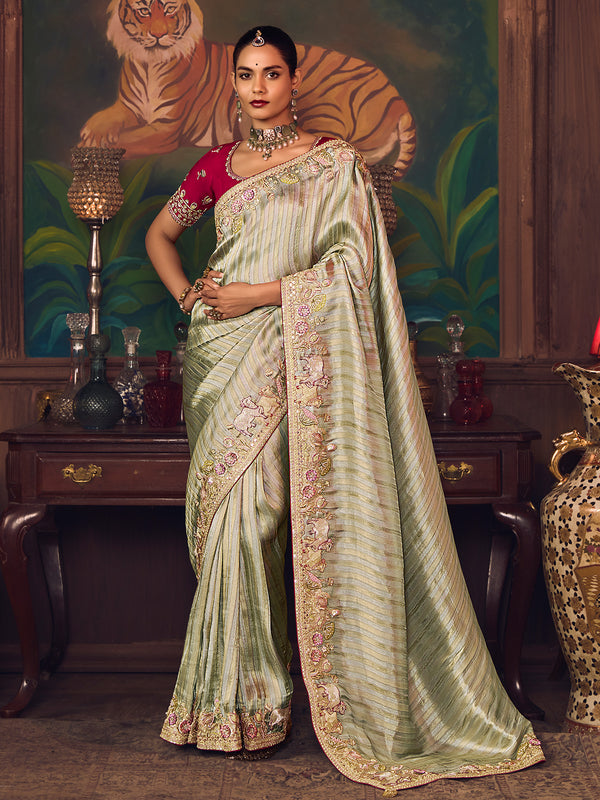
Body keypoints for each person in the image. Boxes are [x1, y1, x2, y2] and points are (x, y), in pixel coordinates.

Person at [145, 25, 544, 795]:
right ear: (233, 82)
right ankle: (227, 706)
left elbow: (352, 271)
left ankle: (268, 697)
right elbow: (163, 236)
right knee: (229, 519)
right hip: (222, 357)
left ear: (294, 81)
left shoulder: (333, 164)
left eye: (272, 73)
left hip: (296, 351)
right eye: (245, 74)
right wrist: (193, 298)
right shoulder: (214, 170)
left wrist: (258, 295)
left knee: (261, 512)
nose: (258, 86)